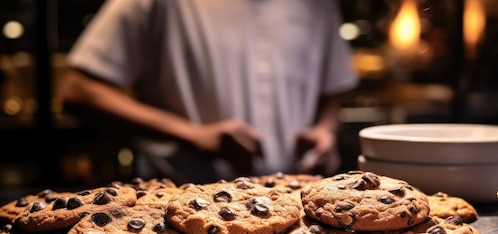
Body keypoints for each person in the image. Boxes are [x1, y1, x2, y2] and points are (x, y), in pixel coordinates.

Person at [61, 0, 358, 184]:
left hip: (294, 198)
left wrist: (324, 131)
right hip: (182, 196)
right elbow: (80, 90)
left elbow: (331, 94)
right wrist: (192, 133)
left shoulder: (320, 5)